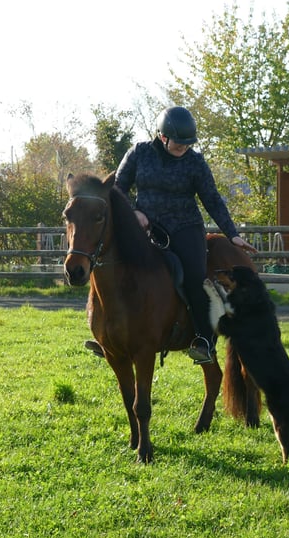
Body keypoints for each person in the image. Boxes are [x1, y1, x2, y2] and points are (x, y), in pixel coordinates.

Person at [100, 105, 256, 363]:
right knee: (114, 265)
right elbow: (117, 189)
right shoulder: (139, 153)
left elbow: (212, 199)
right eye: (178, 143)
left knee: (194, 277)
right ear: (162, 137)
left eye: (188, 143)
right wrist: (133, 213)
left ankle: (205, 340)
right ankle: (107, 333)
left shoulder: (195, 162)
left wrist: (232, 234)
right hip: (145, 228)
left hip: (185, 227)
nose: (183, 148)